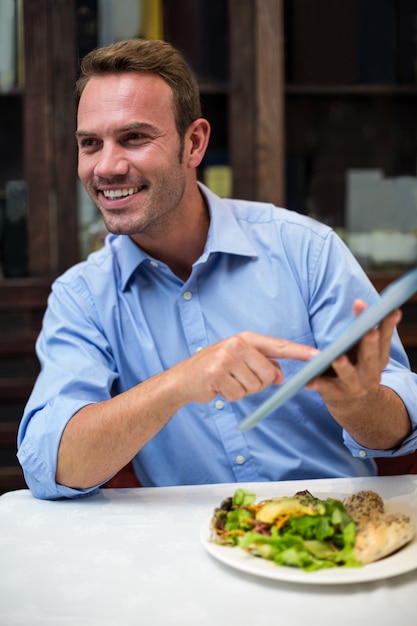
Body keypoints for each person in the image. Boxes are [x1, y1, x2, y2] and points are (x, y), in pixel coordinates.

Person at [17, 38, 417, 500]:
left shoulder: (306, 250)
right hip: (189, 552)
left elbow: (395, 431)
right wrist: (181, 382)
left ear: (194, 143)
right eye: (90, 144)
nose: (106, 166)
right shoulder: (81, 296)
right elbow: (51, 464)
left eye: (134, 137)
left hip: (334, 542)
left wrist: (358, 403)